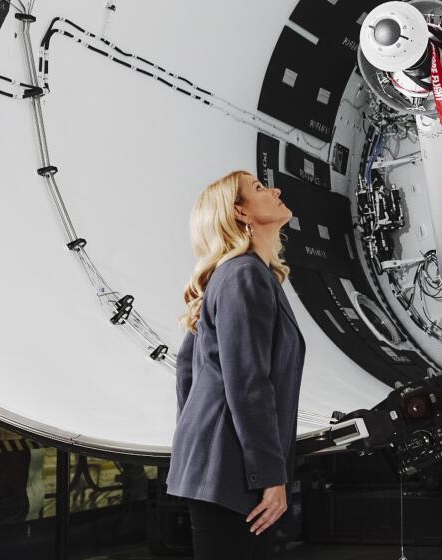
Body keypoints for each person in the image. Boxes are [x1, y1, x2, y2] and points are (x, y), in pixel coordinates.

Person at [165, 170, 306, 559]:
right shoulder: (244, 275)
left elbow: (186, 369)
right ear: (240, 213)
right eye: (260, 189)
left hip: (220, 466)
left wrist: (198, 443)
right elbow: (248, 383)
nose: (275, 190)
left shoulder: (238, 275)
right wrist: (270, 476)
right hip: (233, 473)